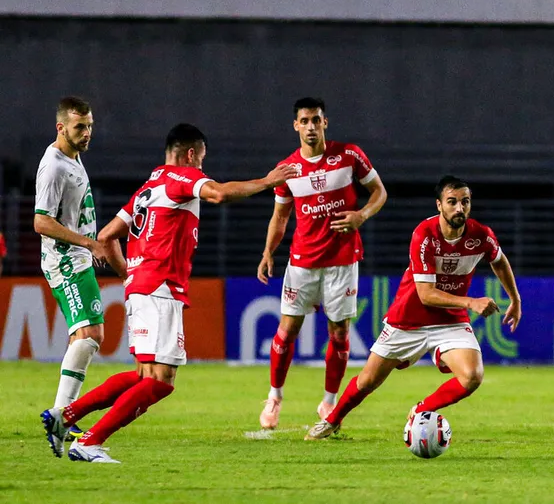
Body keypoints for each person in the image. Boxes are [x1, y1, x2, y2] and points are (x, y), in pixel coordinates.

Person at [40, 123, 298, 462]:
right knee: (162, 381)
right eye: (201, 160)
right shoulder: (181, 178)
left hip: (143, 286)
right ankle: (89, 441)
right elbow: (219, 193)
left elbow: (106, 236)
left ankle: (66, 415)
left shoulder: (150, 185)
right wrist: (268, 181)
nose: (202, 168)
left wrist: (131, 275)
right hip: (159, 287)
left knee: (144, 376)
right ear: (190, 154)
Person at [305, 175, 522, 440]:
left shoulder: (481, 235)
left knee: (472, 376)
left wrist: (515, 299)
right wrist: (470, 302)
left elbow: (498, 260)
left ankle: (421, 411)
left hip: (450, 320)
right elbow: (426, 294)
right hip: (409, 318)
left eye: (465, 202)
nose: (459, 208)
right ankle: (332, 420)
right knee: (367, 381)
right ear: (439, 205)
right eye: (452, 202)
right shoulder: (425, 235)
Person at [257, 97, 387, 430]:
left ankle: (329, 402)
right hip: (302, 260)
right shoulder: (287, 169)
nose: (311, 126)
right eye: (305, 121)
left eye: (316, 120)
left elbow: (379, 193)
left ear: (325, 123)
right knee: (286, 332)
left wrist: (361, 215)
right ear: (296, 126)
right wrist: (268, 252)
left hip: (342, 260)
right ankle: (274, 396)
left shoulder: (349, 156)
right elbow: (280, 215)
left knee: (339, 333)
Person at [34, 97, 108, 451]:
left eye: (90, 125)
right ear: (60, 127)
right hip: (66, 261)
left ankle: (63, 417)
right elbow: (40, 221)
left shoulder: (73, 159)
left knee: (86, 335)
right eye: (80, 127)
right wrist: (87, 243)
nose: (87, 133)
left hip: (77, 256)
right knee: (90, 335)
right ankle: (62, 416)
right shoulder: (54, 167)